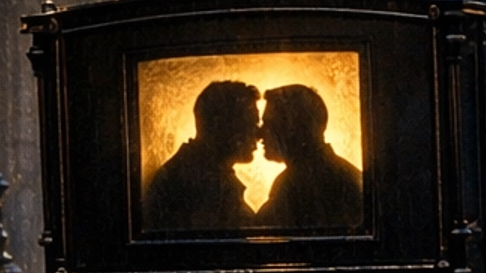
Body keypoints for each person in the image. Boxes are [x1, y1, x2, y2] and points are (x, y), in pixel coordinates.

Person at [143, 80, 259, 231]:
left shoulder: (196, 172)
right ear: (220, 126)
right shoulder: (197, 185)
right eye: (250, 124)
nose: (258, 134)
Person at [259, 83, 363, 231]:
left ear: (293, 128)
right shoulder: (343, 173)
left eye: (269, 124)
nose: (260, 134)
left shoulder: (295, 183)